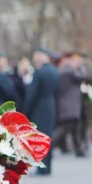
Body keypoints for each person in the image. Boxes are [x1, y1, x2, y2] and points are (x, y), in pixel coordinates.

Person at [24, 47, 60, 175]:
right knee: (48, 136)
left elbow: (32, 94)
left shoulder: (39, 72)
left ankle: (42, 167)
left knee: (40, 138)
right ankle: (48, 166)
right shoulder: (55, 71)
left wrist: (26, 111)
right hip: (51, 105)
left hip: (40, 107)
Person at [54, 52, 87, 157]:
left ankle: (78, 149)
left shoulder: (65, 71)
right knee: (63, 129)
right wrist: (79, 66)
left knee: (75, 128)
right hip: (70, 106)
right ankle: (49, 147)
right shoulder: (69, 72)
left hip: (70, 106)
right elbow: (84, 76)